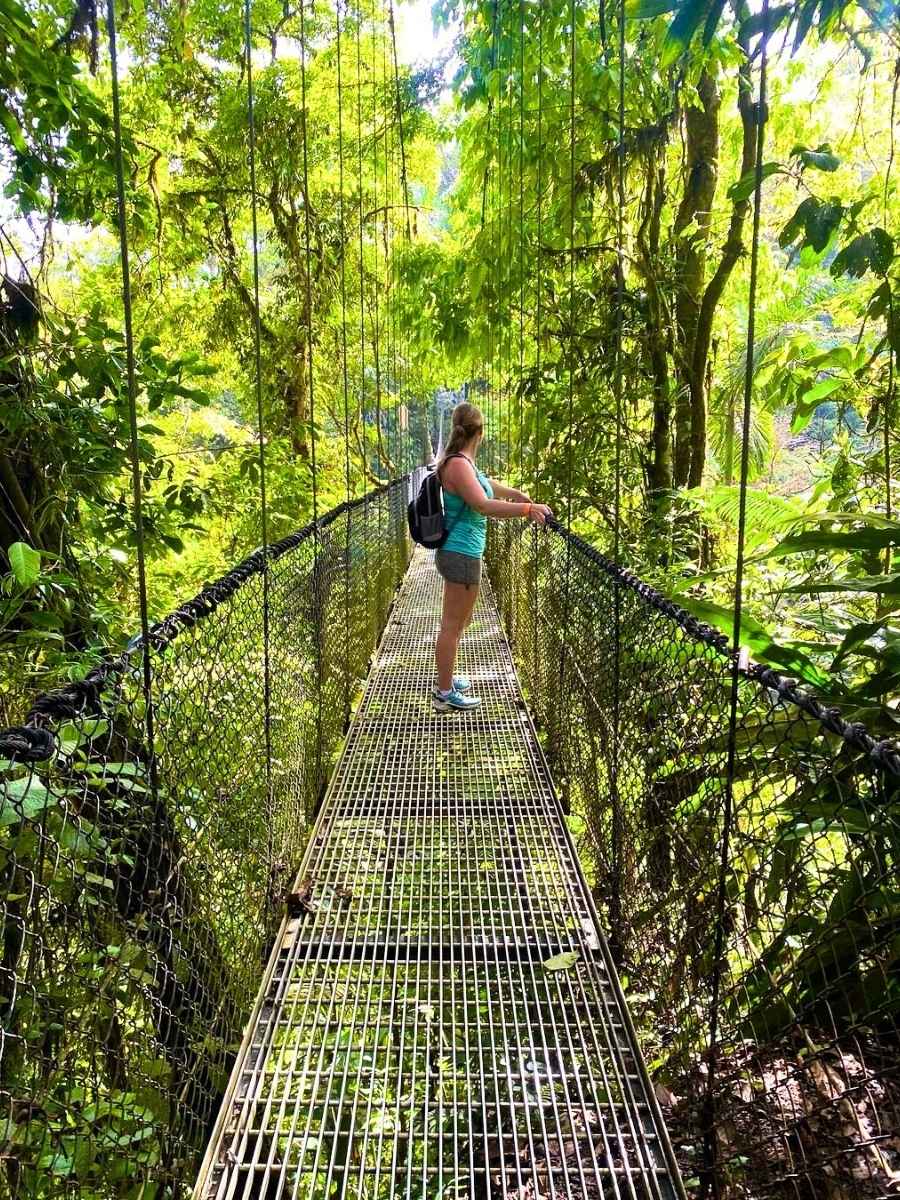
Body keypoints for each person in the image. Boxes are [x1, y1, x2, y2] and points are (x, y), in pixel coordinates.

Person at [432, 402, 552, 712]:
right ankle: (445, 693)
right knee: (452, 625)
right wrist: (527, 510)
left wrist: (515, 494)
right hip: (460, 552)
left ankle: (447, 678)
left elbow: (486, 484)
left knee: (458, 622)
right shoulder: (458, 464)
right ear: (480, 433)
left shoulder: (462, 461)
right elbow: (482, 504)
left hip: (462, 551)